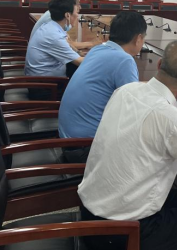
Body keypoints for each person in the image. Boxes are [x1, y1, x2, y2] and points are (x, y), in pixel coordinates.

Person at [78, 39, 177, 250]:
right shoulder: (171, 119)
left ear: (159, 64)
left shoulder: (125, 91)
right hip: (121, 234)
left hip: (89, 215)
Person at [58, 11, 148, 163]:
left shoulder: (98, 49)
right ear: (138, 38)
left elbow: (127, 88)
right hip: (85, 147)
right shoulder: (124, 60)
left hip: (68, 139)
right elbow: (134, 107)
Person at [25, 0, 84, 80]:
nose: (77, 16)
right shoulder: (54, 36)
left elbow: (68, 45)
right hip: (45, 84)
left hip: (43, 77)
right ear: (67, 15)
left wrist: (78, 52)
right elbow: (79, 62)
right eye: (76, 12)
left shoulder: (50, 26)